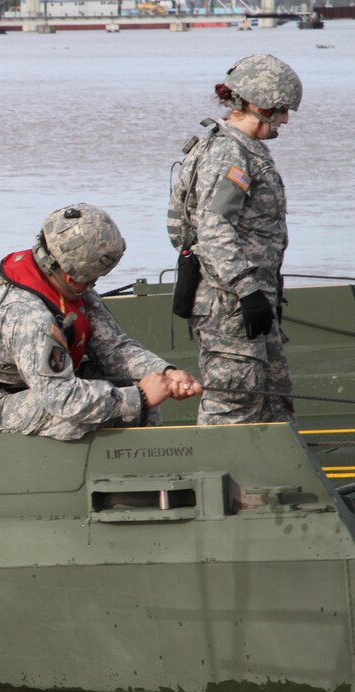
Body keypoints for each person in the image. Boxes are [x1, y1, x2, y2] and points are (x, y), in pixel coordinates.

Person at [0, 204, 202, 440]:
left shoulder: (63, 279)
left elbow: (113, 348)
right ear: (74, 277)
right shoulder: (28, 316)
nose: (93, 285)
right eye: (93, 279)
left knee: (135, 393)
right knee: (88, 413)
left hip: (22, 388)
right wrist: (140, 396)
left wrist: (163, 373)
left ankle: (147, 475)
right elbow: (63, 399)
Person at [167, 54, 301, 425]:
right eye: (280, 109)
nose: (285, 119)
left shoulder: (244, 149)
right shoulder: (229, 152)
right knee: (233, 410)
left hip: (254, 302)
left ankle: (270, 484)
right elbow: (213, 229)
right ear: (257, 104)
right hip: (231, 306)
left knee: (274, 409)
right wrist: (246, 289)